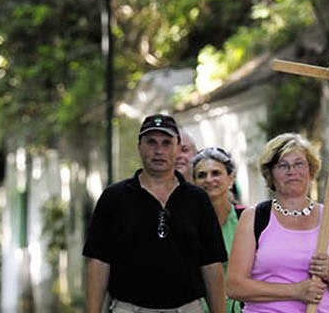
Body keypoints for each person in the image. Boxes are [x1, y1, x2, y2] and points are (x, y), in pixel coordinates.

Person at [85, 114, 227, 313]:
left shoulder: (197, 199)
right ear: (139, 147)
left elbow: (212, 265)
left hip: (187, 309)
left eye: (167, 143)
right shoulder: (114, 198)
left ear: (178, 148)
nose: (159, 150)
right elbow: (98, 262)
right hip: (129, 308)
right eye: (151, 142)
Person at [225, 133, 329, 313]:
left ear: (310, 170)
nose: (292, 171)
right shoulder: (255, 217)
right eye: (283, 165)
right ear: (271, 174)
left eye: (299, 164)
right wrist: (295, 291)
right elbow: (234, 286)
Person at [190, 146, 245, 313]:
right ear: (193, 182)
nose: (209, 179)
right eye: (201, 175)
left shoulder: (247, 219)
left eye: (216, 173)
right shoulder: (186, 222)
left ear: (230, 178)